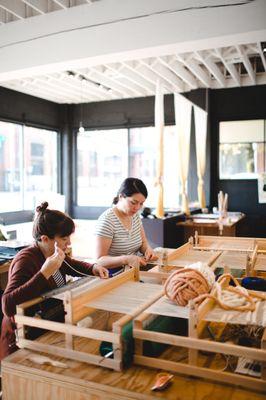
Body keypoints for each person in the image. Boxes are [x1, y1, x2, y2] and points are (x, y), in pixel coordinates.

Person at [0, 202, 109, 360]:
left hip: (46, 327)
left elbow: (71, 264)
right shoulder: (26, 260)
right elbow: (8, 305)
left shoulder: (54, 254)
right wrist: (45, 272)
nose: (69, 243)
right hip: (22, 339)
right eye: (64, 239)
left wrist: (93, 268)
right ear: (45, 239)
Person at [94, 177, 158, 277]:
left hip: (133, 271)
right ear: (121, 197)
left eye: (141, 204)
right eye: (133, 202)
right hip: (113, 275)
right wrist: (126, 259)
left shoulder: (135, 215)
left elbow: (143, 243)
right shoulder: (107, 221)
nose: (137, 208)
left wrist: (148, 250)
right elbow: (99, 261)